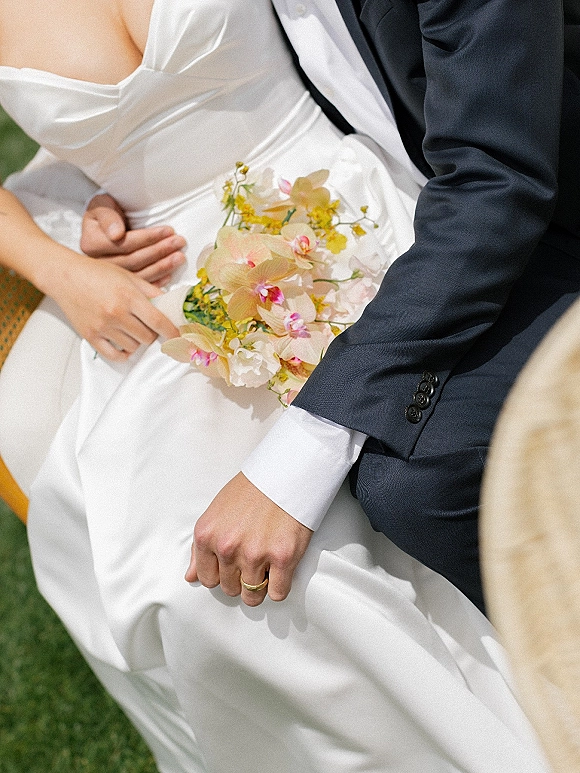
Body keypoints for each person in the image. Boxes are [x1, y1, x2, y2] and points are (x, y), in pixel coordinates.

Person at [0, 0, 554, 771]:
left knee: (337, 546)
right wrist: (66, 254)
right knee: (195, 581)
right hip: (170, 287)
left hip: (339, 196)